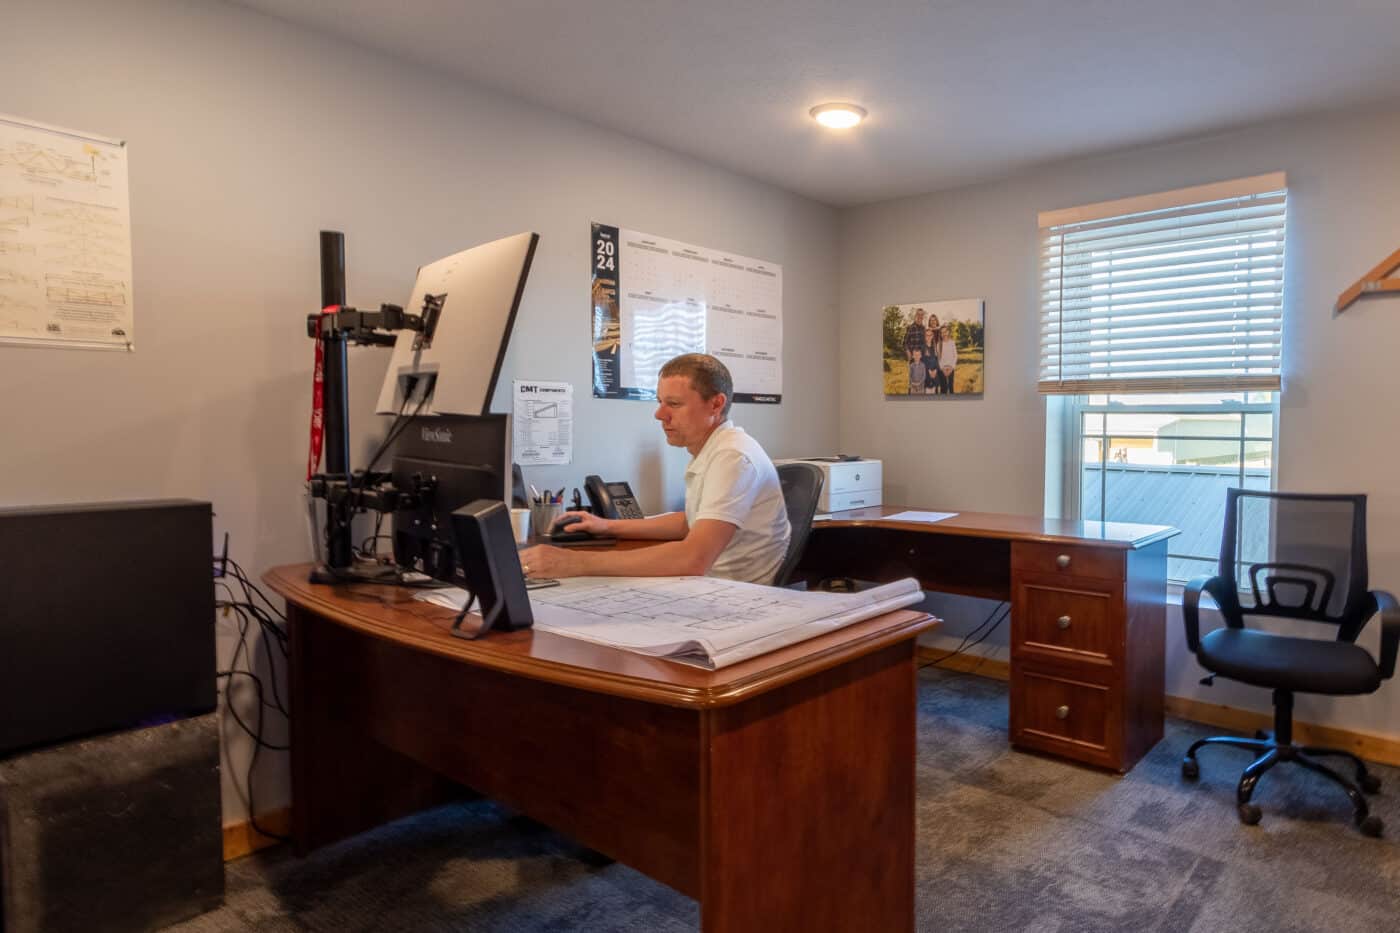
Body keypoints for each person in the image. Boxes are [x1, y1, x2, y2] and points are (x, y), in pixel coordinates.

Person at [519, 353, 791, 585]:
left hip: (733, 597)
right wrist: (608, 526)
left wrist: (574, 562)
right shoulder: (715, 449)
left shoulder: (732, 456)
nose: (659, 414)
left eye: (673, 404)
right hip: (707, 586)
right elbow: (690, 521)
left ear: (716, 404)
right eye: (660, 401)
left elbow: (692, 558)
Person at [903, 307, 927, 392]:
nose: (920, 316)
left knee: (921, 380)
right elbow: (905, 343)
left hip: (922, 359)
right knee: (912, 381)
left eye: (922, 315)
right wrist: (908, 352)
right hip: (913, 359)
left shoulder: (924, 328)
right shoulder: (910, 327)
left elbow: (925, 343)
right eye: (918, 314)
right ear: (915, 316)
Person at [937, 322, 958, 394]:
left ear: (948, 332)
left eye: (945, 332)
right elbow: (939, 358)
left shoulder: (952, 343)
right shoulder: (939, 344)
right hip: (942, 369)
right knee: (943, 388)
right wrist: (943, 369)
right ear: (940, 334)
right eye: (942, 332)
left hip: (951, 368)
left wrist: (952, 367)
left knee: (951, 387)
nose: (944, 334)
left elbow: (955, 356)